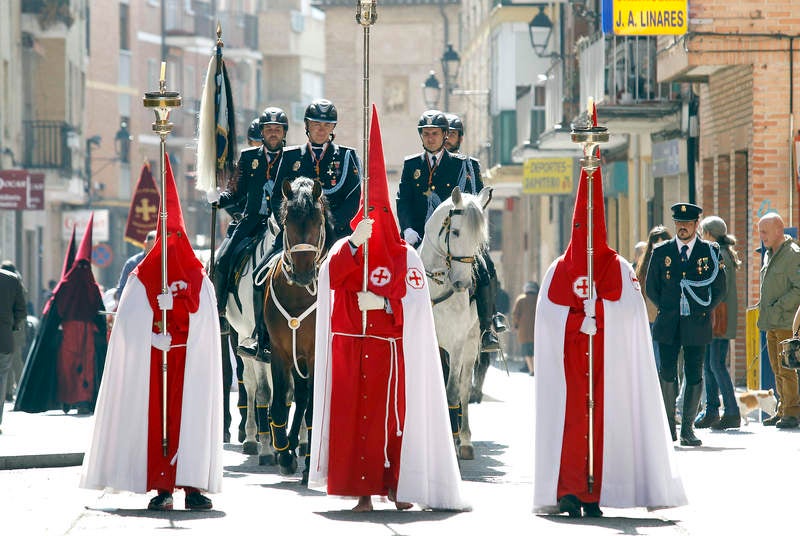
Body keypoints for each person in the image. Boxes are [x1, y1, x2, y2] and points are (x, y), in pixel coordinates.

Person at [310, 105, 466, 512]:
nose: (376, 221)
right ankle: (360, 492)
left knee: (391, 420)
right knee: (353, 421)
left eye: (380, 214)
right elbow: (330, 278)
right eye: (371, 213)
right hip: (350, 345)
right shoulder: (345, 247)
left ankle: (397, 485)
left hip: (387, 350)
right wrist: (354, 243)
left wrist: (383, 302)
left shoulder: (405, 257)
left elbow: (415, 303)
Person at [534, 124, 686, 516]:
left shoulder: (620, 268)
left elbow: (632, 316)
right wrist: (577, 322)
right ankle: (570, 490)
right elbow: (547, 320)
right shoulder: (558, 269)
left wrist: (599, 314)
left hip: (607, 366)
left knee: (606, 426)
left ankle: (598, 492)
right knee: (570, 424)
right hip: (571, 367)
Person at [81, 154, 222, 510]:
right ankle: (162, 487)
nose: (172, 242)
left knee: (190, 422)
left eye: (177, 235)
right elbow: (127, 322)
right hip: (154, 363)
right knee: (158, 424)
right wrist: (150, 331)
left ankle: (193, 487)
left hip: (187, 363)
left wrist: (180, 318)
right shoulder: (141, 275)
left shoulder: (198, 277)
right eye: (167, 235)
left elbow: (207, 320)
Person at [396, 110, 500, 352]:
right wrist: (408, 228)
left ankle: (488, 326)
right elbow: (404, 200)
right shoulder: (411, 164)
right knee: (393, 266)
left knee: (484, 266)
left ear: (444, 136)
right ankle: (393, 320)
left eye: (435, 133)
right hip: (419, 235)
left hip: (457, 237)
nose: (430, 138)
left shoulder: (465, 165)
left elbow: (476, 203)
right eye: (426, 133)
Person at [209, 107, 292, 358]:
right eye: (268, 129)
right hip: (251, 221)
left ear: (284, 132)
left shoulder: (294, 158)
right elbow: (236, 191)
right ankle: (219, 312)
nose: (273, 133)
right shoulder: (248, 157)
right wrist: (219, 199)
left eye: (277, 129)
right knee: (223, 259)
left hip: (282, 224)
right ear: (262, 132)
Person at [645, 202, 726, 446]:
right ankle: (669, 427)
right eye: (679, 223)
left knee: (694, 372)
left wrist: (702, 308)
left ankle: (687, 429)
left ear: (696, 224)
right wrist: (668, 307)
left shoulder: (709, 251)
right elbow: (651, 287)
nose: (682, 227)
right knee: (667, 372)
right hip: (668, 322)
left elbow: (720, 288)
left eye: (687, 223)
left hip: (697, 322)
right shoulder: (662, 251)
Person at [15, 215, 108, 415]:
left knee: (71, 368)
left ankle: (72, 400)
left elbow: (52, 313)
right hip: (82, 334)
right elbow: (98, 313)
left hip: (70, 334)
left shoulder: (65, 286)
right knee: (79, 368)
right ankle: (80, 400)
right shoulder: (91, 286)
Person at [445, 112, 507, 342]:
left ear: (460, 138)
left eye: (453, 135)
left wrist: (479, 204)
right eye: (445, 134)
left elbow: (479, 196)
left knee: (485, 266)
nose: (448, 139)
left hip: (466, 233)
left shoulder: (471, 165)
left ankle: (488, 324)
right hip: (438, 232)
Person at [282, 98, 362, 240]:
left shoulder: (347, 156)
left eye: (327, 125)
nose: (321, 129)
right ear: (307, 125)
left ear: (332, 127)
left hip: (338, 232)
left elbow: (354, 199)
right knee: (268, 255)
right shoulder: (290, 156)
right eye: (316, 124)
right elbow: (278, 196)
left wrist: (329, 225)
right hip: (297, 232)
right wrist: (292, 225)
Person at [694, 216, 741, 430]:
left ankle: (731, 411)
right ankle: (712, 410)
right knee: (709, 365)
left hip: (718, 319)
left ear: (709, 234)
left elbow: (719, 289)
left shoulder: (719, 255)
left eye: (702, 232)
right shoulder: (718, 252)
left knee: (716, 365)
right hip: (713, 318)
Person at [758, 212, 800, 428]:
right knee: (776, 368)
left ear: (779, 230)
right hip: (771, 322)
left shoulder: (793, 254)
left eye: (765, 231)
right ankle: (783, 409)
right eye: (760, 231)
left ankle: (792, 412)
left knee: (787, 369)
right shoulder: (769, 254)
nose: (762, 236)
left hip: (786, 322)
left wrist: (778, 307)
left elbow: (798, 289)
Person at [636, 226, 672, 370]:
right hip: (650, 318)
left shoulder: (674, 261)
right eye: (655, 244)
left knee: (668, 360)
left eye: (662, 243)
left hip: (670, 317)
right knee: (654, 359)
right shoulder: (645, 264)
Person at [0, 265, 26, 431]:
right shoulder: (11, 279)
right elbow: (21, 310)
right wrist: (13, 325)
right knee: (1, 379)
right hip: (3, 338)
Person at [115, 230, 157, 303]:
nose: (155, 250)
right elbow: (122, 289)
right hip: (136, 305)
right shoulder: (132, 264)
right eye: (152, 246)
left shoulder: (165, 263)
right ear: (145, 244)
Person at [512, 281, 538, 375]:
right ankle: (536, 369)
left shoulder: (521, 299)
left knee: (527, 352)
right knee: (536, 350)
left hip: (524, 331)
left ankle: (532, 370)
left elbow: (515, 314)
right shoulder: (538, 299)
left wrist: (515, 325)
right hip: (536, 330)